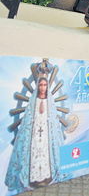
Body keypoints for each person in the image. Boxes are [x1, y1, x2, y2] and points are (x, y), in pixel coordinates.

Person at [5, 59, 64, 193]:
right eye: (41, 85)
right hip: (34, 135)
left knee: (45, 156)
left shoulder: (51, 103)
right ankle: (32, 179)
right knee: (34, 156)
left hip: (46, 136)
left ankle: (47, 177)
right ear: (38, 86)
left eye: (45, 85)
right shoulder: (33, 102)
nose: (43, 87)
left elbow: (53, 123)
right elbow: (28, 120)